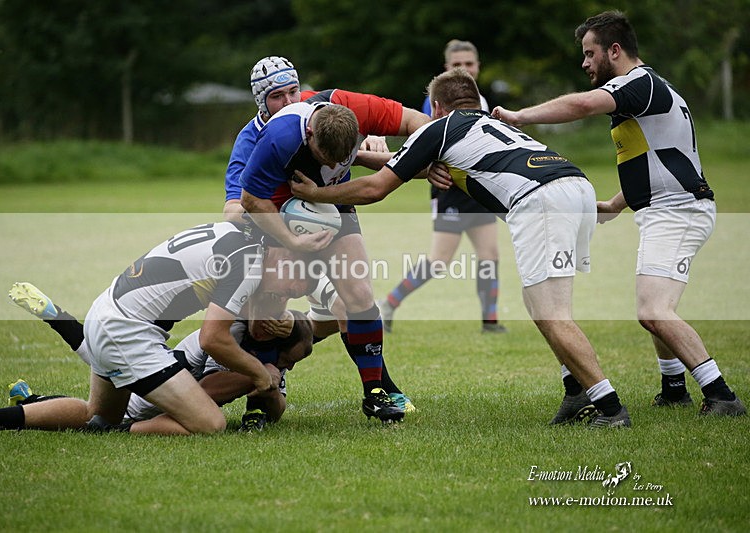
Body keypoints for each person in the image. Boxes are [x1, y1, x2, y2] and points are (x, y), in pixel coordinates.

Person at [291, 68, 631, 428]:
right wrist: (366, 157)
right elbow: (405, 161)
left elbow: (376, 187)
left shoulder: (439, 129)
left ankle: (610, 407)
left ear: (437, 107)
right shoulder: (492, 124)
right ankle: (575, 390)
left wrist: (317, 193)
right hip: (576, 186)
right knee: (538, 303)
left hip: (540, 201)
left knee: (551, 313)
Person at [491, 10, 745, 417]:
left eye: (589, 53)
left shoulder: (638, 82)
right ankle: (673, 388)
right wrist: (616, 203)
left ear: (614, 50)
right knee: (655, 305)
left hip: (679, 212)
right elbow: (659, 161)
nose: (584, 62)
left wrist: (520, 116)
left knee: (653, 311)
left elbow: (581, 104)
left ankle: (722, 395)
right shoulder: (646, 90)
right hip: (667, 209)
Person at [0, 221, 317, 437]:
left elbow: (247, 306)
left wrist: (283, 319)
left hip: (107, 312)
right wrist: (260, 374)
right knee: (211, 423)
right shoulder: (249, 264)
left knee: (97, 415)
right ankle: (120, 432)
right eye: (293, 287)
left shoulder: (241, 237)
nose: (285, 295)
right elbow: (213, 339)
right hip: (130, 332)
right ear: (287, 256)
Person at [223, 56, 418, 413]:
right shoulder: (259, 140)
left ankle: (376, 390)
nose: (288, 101)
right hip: (279, 222)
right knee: (270, 304)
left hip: (334, 210)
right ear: (260, 101)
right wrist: (289, 228)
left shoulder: (335, 110)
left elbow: (415, 123)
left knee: (358, 294)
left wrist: (432, 153)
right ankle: (260, 399)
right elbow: (236, 209)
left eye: (293, 91)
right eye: (276, 96)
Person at [2, 282, 313, 432]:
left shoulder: (267, 356)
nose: (289, 366)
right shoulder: (234, 337)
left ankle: (32, 392)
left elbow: (276, 409)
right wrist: (260, 376)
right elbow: (207, 391)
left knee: (97, 356)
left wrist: (270, 385)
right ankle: (30, 403)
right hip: (154, 385)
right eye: (289, 359)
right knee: (97, 415)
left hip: (149, 365)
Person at [379, 40, 505, 335]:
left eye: (469, 64)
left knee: (489, 255)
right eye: (457, 65)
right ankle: (388, 304)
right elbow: (428, 141)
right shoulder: (437, 101)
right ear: (447, 68)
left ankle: (490, 321)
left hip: (477, 187)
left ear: (478, 66)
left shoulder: (481, 101)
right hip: (449, 187)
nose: (465, 69)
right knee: (439, 260)